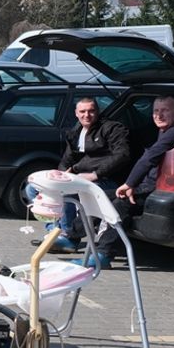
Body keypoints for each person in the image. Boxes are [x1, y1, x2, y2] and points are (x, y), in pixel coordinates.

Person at [85, 96, 174, 269]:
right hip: (147, 186)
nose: (159, 115)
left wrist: (129, 184)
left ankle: (103, 255)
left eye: (165, 110)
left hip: (155, 189)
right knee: (99, 196)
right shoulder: (165, 130)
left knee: (121, 203)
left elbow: (149, 157)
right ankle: (73, 236)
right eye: (156, 111)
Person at [45, 97, 130, 251]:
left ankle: (69, 238)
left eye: (91, 111)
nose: (87, 115)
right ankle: (57, 228)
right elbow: (67, 159)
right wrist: (61, 174)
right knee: (37, 189)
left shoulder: (111, 128)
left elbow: (122, 155)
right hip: (81, 177)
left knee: (67, 193)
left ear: (97, 112)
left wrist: (95, 174)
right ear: (76, 113)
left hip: (106, 180)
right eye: (82, 111)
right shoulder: (77, 131)